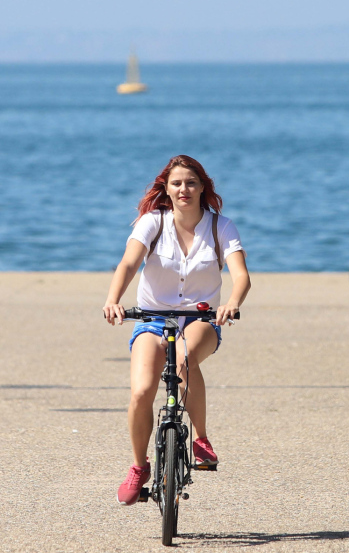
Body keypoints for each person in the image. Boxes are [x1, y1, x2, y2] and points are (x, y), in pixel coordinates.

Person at [103, 155, 251, 506]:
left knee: (185, 360)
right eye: (177, 183)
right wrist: (113, 300)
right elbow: (128, 263)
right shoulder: (152, 222)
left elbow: (241, 275)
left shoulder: (221, 227)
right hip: (153, 319)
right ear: (166, 190)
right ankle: (140, 467)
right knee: (141, 391)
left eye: (191, 183)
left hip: (201, 319)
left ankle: (201, 440)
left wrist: (232, 302)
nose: (184, 189)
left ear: (202, 187)